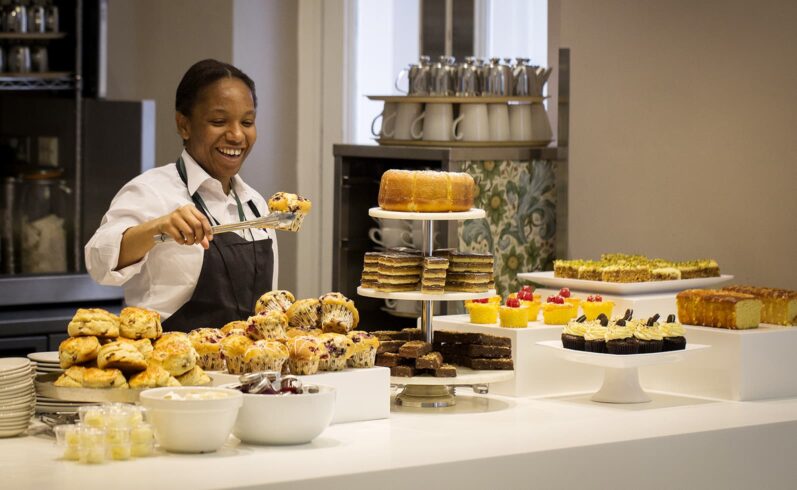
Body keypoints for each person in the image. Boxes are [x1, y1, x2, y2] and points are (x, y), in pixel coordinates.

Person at [86, 59, 277, 331]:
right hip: (166, 366)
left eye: (247, 121)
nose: (236, 135)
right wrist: (158, 226)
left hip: (246, 370)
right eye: (219, 121)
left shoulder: (256, 206)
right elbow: (97, 262)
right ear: (183, 125)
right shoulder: (152, 191)